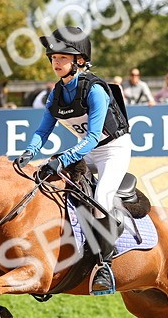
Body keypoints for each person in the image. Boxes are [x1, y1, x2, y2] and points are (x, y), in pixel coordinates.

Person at [13, 26, 132, 296]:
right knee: (50, 185)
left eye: (62, 57)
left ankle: (104, 264)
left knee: (101, 197)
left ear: (79, 60)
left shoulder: (95, 90)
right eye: (53, 57)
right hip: (87, 151)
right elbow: (43, 130)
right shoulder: (56, 93)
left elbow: (92, 137)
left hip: (112, 150)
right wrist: (29, 153)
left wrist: (64, 157)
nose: (56, 62)